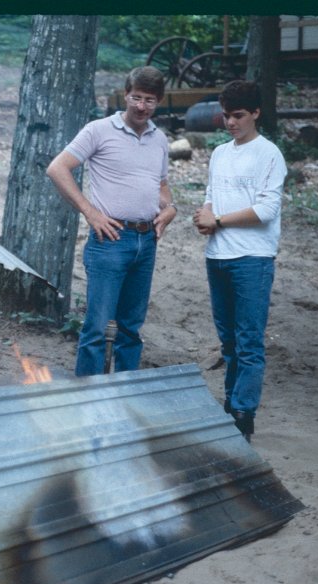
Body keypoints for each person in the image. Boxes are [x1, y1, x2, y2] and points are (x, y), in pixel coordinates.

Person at [46, 66, 177, 377]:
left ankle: (125, 397)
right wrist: (90, 212)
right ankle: (87, 403)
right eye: (136, 98)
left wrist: (170, 208)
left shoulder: (159, 139)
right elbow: (57, 168)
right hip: (110, 240)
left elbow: (160, 184)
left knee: (131, 328)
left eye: (150, 100)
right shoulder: (99, 130)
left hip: (146, 242)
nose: (142, 106)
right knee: (97, 326)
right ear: (125, 95)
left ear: (158, 101)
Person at [192, 80, 287, 442]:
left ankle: (244, 414)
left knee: (249, 341)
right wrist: (205, 216)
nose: (231, 123)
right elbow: (212, 194)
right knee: (228, 341)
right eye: (226, 116)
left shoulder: (269, 154)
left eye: (239, 116)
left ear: (256, 113)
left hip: (253, 258)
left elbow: (266, 209)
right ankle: (231, 404)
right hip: (218, 255)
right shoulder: (220, 153)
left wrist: (217, 221)